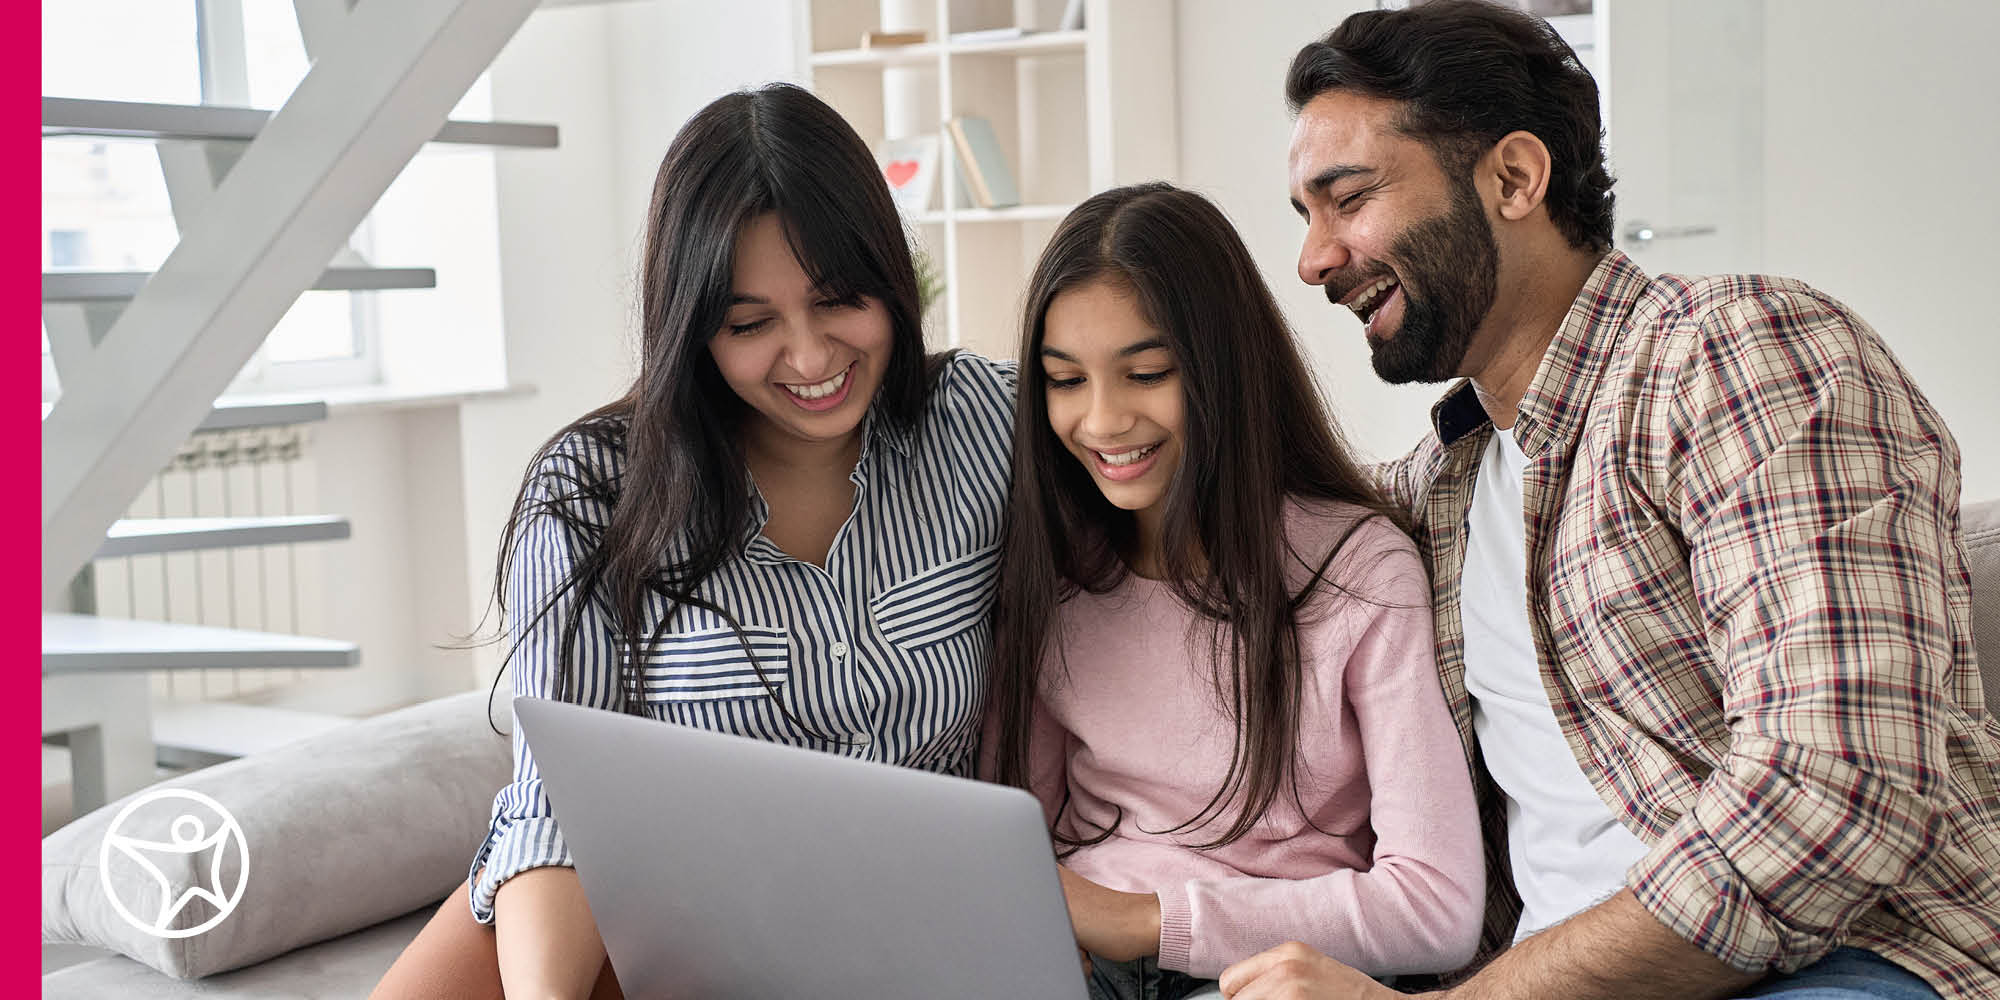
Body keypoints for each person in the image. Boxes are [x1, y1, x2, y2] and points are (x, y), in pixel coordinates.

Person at [1217, 4, 2000, 1000]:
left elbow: (1833, 795)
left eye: (1348, 197)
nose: (1313, 259)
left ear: (1511, 177)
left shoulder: (1732, 355)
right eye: (1304, 217)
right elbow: (1220, 539)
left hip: (1849, 964)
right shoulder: (1441, 490)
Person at [369, 83, 1015, 1000]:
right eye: (750, 325)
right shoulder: (593, 491)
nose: (810, 357)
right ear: (694, 328)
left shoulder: (986, 422)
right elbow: (556, 802)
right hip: (650, 913)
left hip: (904, 919)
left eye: (839, 301)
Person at [986, 182, 1484, 1000]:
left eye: (1145, 373)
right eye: (1064, 381)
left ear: (1223, 370)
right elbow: (1010, 840)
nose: (1102, 422)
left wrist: (1147, 919)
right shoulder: (1057, 581)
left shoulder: (1356, 572)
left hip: (1257, 974)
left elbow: (1436, 907)